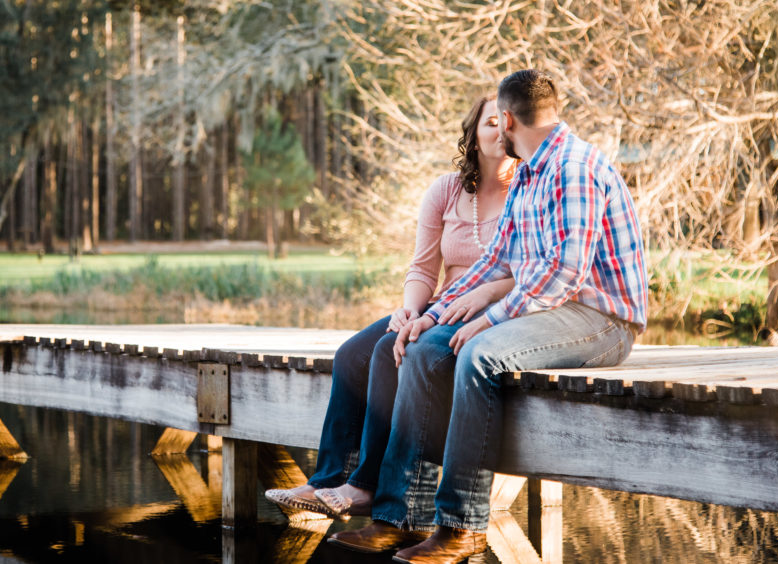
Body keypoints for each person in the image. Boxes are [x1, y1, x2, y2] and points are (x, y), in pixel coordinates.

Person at [328, 69, 649, 563]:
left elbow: (564, 273)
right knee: (424, 348)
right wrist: (432, 316)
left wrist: (490, 318)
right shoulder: (530, 170)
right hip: (553, 308)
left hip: (601, 319)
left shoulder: (573, 168)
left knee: (477, 354)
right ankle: (399, 516)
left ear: (507, 120)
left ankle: (461, 526)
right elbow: (497, 259)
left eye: (500, 125)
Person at [265, 94, 518, 519]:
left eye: (507, 122)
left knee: (389, 353)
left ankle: (364, 486)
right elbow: (422, 268)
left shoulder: (528, 190)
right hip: (441, 306)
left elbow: (539, 270)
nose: (500, 130)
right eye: (490, 122)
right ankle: (326, 482)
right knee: (351, 355)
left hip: (492, 314)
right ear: (474, 135)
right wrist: (410, 311)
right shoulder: (447, 190)